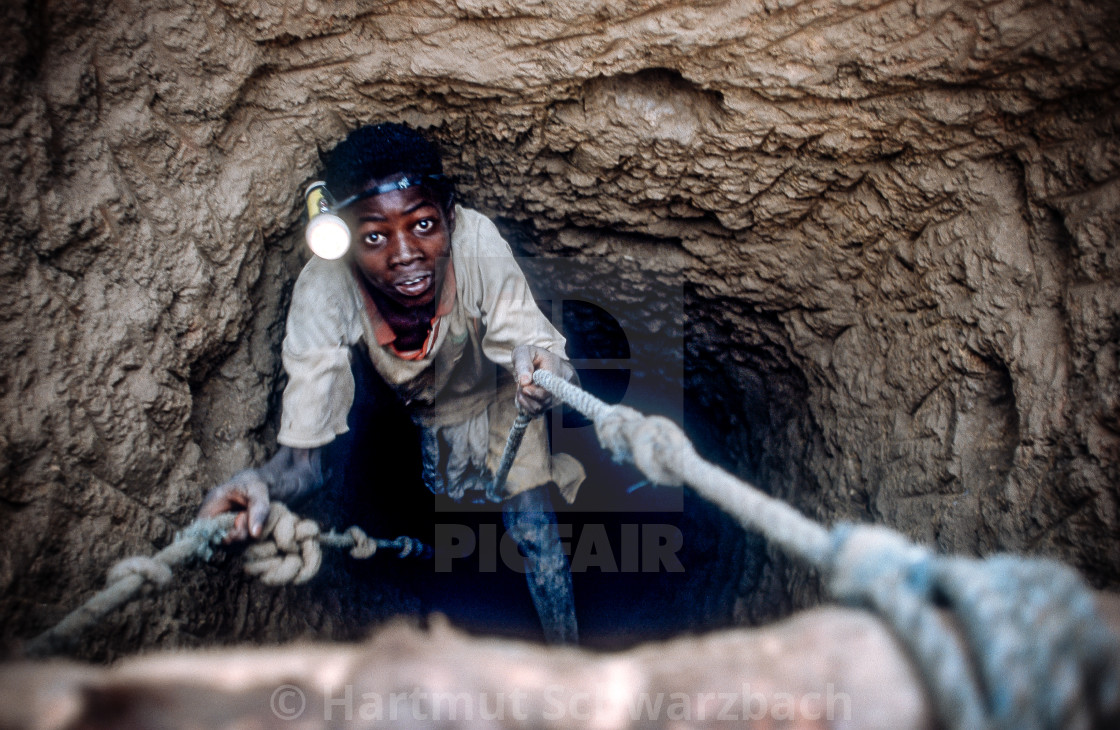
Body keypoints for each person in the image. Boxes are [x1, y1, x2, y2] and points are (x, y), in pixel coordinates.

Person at [198, 122, 584, 644]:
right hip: (429, 417)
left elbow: (548, 358)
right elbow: (301, 464)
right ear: (344, 239)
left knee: (536, 534)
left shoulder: (474, 241)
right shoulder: (325, 289)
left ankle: (567, 652)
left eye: (424, 225)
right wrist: (261, 485)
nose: (404, 253)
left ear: (450, 216)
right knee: (449, 514)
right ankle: (456, 600)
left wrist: (545, 371)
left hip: (503, 399)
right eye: (374, 236)